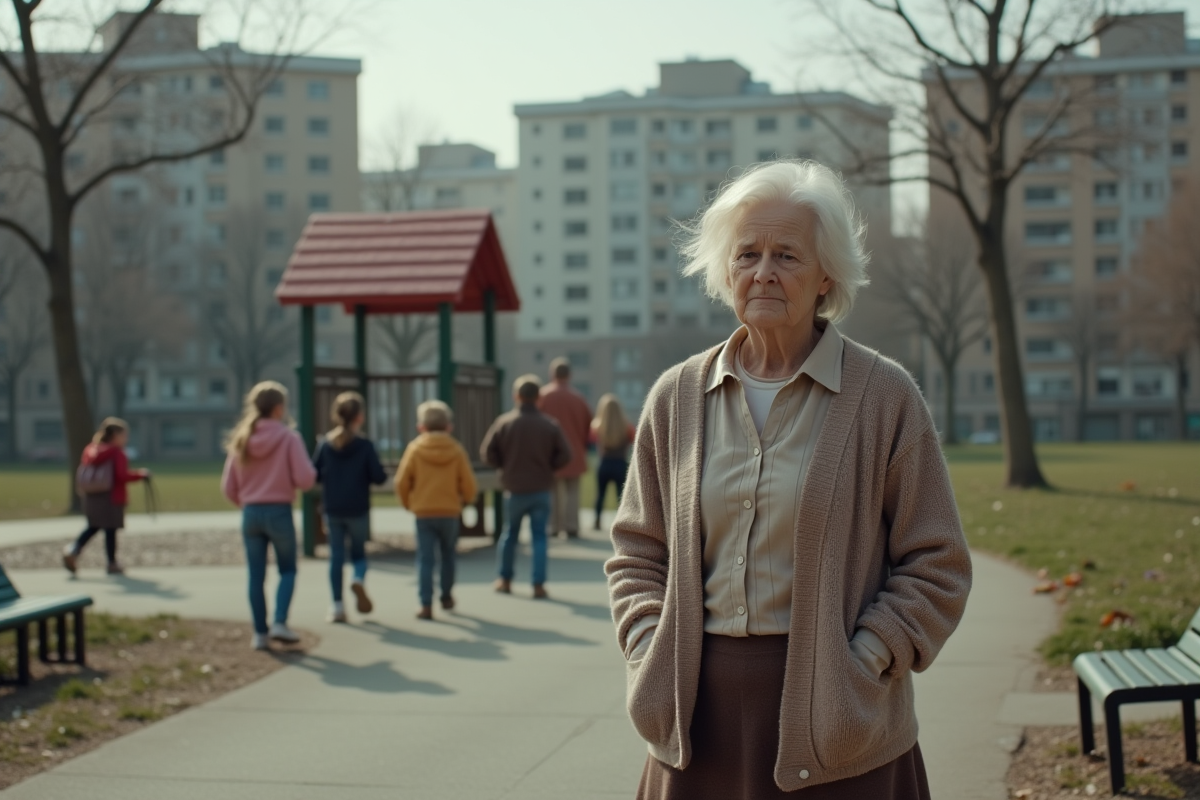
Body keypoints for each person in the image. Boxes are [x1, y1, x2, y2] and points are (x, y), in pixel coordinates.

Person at [605, 160, 973, 799]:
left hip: (842, 727)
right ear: (725, 270)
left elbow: (937, 563)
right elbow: (638, 552)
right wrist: (647, 647)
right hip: (694, 725)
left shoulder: (884, 396)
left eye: (787, 255)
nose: (763, 271)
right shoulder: (676, 397)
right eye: (746, 254)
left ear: (827, 273)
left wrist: (862, 662)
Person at [221, 381, 317, 651]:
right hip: (279, 509)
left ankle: (260, 633)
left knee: (255, 575)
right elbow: (305, 478)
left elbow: (228, 487)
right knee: (287, 569)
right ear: (278, 409)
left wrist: (246, 502)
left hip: (250, 511)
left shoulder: (241, 439)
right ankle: (279, 622)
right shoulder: (288, 438)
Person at [481, 374, 571, 599]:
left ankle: (505, 579)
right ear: (539, 398)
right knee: (539, 537)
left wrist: (504, 465)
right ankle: (538, 584)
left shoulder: (504, 423)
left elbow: (487, 453)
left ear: (516, 396)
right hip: (541, 487)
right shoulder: (549, 425)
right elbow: (566, 455)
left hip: (514, 488)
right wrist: (549, 466)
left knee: (510, 535)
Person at [395, 400, 478, 620]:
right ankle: (447, 596)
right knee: (448, 555)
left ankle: (425, 604)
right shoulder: (456, 450)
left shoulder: (415, 449)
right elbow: (469, 484)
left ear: (421, 426)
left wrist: (408, 503)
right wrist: (465, 501)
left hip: (423, 512)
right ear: (448, 426)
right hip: (449, 511)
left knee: (425, 558)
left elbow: (401, 482)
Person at [312, 391, 387, 623]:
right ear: (360, 417)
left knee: (335, 556)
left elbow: (314, 474)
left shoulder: (325, 445)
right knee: (358, 553)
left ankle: (336, 606)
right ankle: (358, 578)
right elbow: (378, 476)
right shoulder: (364, 445)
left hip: (333, 508)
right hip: (358, 508)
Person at [63, 417, 148, 576]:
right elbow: (121, 476)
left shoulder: (91, 450)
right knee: (111, 529)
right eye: (124, 435)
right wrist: (140, 475)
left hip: (91, 496)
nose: (126, 439)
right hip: (112, 496)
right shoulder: (117, 453)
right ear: (115, 435)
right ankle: (111, 562)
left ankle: (73, 550)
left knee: (93, 526)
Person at [539, 357, 591, 539]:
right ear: (570, 375)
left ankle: (553, 526)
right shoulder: (579, 398)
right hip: (575, 450)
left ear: (552, 374)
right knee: (573, 491)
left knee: (552, 490)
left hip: (551, 453)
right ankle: (572, 525)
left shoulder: (543, 396)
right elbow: (587, 425)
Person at [590, 393, 634, 531]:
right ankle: (621, 522)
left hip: (604, 463)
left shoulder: (596, 427)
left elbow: (590, 443)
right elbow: (635, 441)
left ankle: (597, 520)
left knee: (600, 494)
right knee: (620, 495)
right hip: (621, 464)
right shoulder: (626, 427)